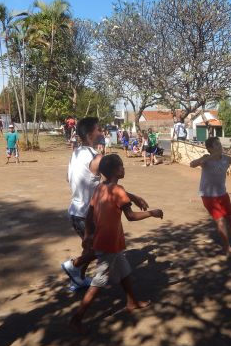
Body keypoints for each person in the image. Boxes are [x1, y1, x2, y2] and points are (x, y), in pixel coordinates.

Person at [69, 154, 163, 334]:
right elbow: (131, 216)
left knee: (124, 270)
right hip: (109, 243)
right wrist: (152, 213)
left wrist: (88, 235)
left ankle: (132, 302)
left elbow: (89, 215)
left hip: (107, 240)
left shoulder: (99, 188)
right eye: (121, 166)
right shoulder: (118, 190)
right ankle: (77, 318)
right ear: (115, 171)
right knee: (99, 281)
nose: (124, 168)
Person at [61, 117, 149, 289]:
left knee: (92, 247)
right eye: (98, 130)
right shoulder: (96, 158)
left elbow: (67, 178)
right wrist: (132, 197)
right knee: (102, 249)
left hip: (75, 211)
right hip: (88, 213)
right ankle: (73, 266)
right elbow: (110, 187)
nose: (102, 133)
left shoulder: (75, 154)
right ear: (89, 135)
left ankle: (77, 278)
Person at [190, 137, 231, 255]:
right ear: (210, 148)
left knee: (230, 219)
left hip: (222, 194)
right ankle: (227, 247)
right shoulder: (206, 159)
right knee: (220, 221)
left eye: (219, 144)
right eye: (216, 145)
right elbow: (192, 164)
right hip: (208, 196)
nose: (220, 146)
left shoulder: (225, 159)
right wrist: (211, 156)